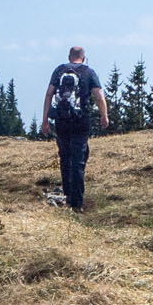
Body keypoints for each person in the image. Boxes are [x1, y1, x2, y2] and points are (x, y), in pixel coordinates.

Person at [42, 46, 110, 212]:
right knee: (78, 160)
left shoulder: (59, 70)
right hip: (81, 122)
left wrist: (45, 120)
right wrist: (104, 115)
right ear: (83, 58)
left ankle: (67, 197)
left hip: (61, 121)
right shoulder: (89, 72)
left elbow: (49, 93)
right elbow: (99, 96)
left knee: (65, 159)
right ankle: (77, 204)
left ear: (69, 57)